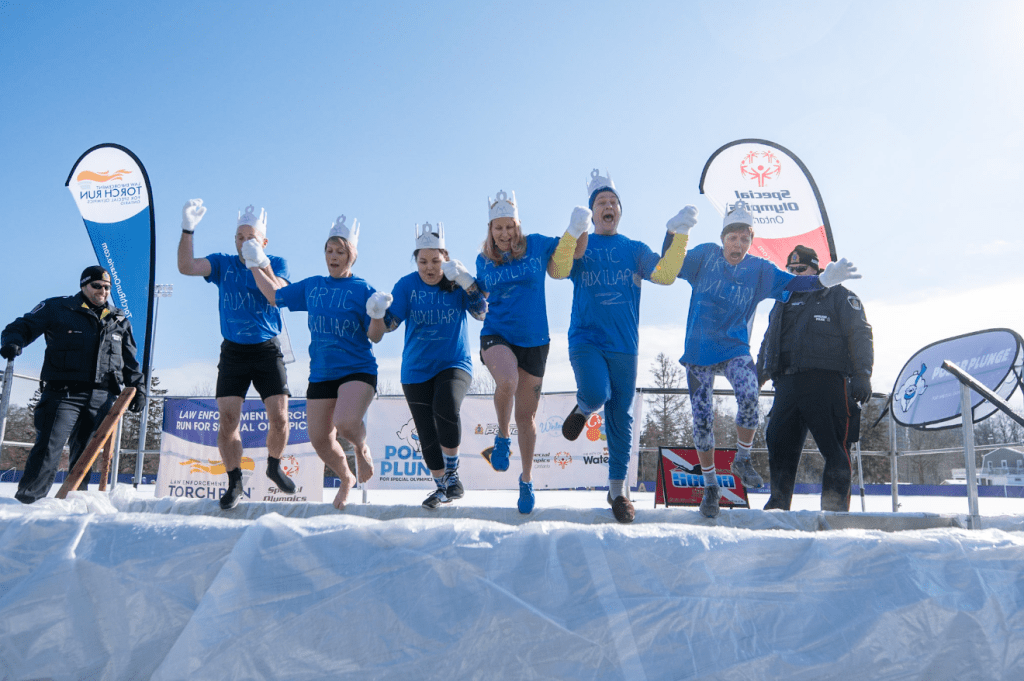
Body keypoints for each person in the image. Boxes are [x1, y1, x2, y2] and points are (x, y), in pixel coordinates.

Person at [670, 201, 861, 519]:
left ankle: (742, 459)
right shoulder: (705, 256)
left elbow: (793, 283)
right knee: (702, 420)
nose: (738, 245)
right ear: (722, 238)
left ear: (751, 241)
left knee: (749, 395)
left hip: (734, 350)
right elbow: (671, 265)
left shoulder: (758, 270)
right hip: (699, 352)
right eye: (733, 238)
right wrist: (675, 233)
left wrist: (823, 281)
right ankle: (711, 487)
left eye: (745, 239)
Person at [561, 169, 697, 523]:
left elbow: (665, 275)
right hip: (587, 339)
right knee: (595, 392)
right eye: (601, 202)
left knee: (620, 417)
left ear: (620, 211)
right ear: (593, 212)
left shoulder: (634, 250)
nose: (607, 206)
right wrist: (573, 232)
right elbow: (558, 269)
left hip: (625, 346)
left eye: (613, 202)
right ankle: (583, 407)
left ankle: (617, 492)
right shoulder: (583, 246)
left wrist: (678, 234)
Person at [252, 215, 382, 510]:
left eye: (340, 252)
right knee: (319, 439)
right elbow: (274, 296)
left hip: (357, 369)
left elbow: (375, 336)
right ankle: (346, 478)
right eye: (329, 251)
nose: (333, 257)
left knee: (346, 423)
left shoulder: (363, 289)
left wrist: (377, 315)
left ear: (351, 256)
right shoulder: (313, 286)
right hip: (322, 373)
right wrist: (254, 264)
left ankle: (361, 447)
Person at [177, 199, 296, 510]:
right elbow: (187, 267)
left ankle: (273, 466)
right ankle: (235, 481)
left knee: (280, 418)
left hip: (267, 349)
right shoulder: (223, 263)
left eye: (251, 238)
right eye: (240, 238)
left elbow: (280, 294)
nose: (244, 243)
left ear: (264, 242)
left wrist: (260, 262)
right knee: (228, 420)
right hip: (233, 351)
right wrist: (188, 229)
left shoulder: (277, 262)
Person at [474, 189, 583, 513]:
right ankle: (502, 438)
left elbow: (573, 254)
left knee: (527, 418)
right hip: (497, 334)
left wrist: (580, 227)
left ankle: (526, 479)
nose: (504, 233)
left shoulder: (536, 245)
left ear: (518, 226)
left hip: (535, 341)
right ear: (490, 229)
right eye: (498, 227)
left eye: (509, 226)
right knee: (506, 380)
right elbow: (478, 299)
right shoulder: (484, 260)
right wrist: (465, 283)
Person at [0, 266, 145, 503]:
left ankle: (74, 501)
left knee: (87, 454)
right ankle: (29, 500)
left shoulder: (118, 319)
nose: (103, 291)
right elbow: (22, 326)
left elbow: (130, 361)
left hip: (101, 397)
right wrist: (13, 342)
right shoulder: (58, 308)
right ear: (83, 285)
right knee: (49, 447)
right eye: (97, 286)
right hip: (63, 394)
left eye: (107, 287)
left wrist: (139, 390)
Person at [369, 222, 487, 510]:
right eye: (423, 261)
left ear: (445, 258)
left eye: (435, 260)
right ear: (416, 261)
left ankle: (452, 474)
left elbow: (482, 313)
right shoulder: (406, 285)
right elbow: (389, 326)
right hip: (416, 370)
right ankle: (442, 487)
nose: (429, 268)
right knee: (425, 432)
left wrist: (468, 283)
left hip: (454, 362)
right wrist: (377, 312)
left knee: (446, 405)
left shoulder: (456, 279)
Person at [756, 245, 873, 512]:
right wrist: (758, 376)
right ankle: (778, 506)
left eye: (801, 269)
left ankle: (834, 511)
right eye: (791, 269)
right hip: (786, 384)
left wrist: (862, 374)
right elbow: (769, 339)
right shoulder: (782, 299)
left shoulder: (839, 295)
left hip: (826, 382)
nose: (795, 273)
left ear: (815, 268)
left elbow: (860, 334)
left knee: (834, 448)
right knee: (778, 442)